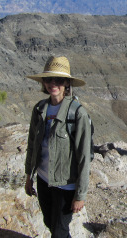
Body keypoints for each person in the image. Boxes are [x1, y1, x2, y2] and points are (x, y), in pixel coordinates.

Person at [24, 55, 91, 238]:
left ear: (67, 83)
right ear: (43, 82)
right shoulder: (39, 109)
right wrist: (29, 176)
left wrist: (80, 194)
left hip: (66, 185)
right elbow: (32, 144)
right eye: (48, 79)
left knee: (59, 232)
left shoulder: (77, 113)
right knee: (50, 224)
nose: (53, 83)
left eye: (59, 79)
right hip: (44, 180)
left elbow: (84, 157)